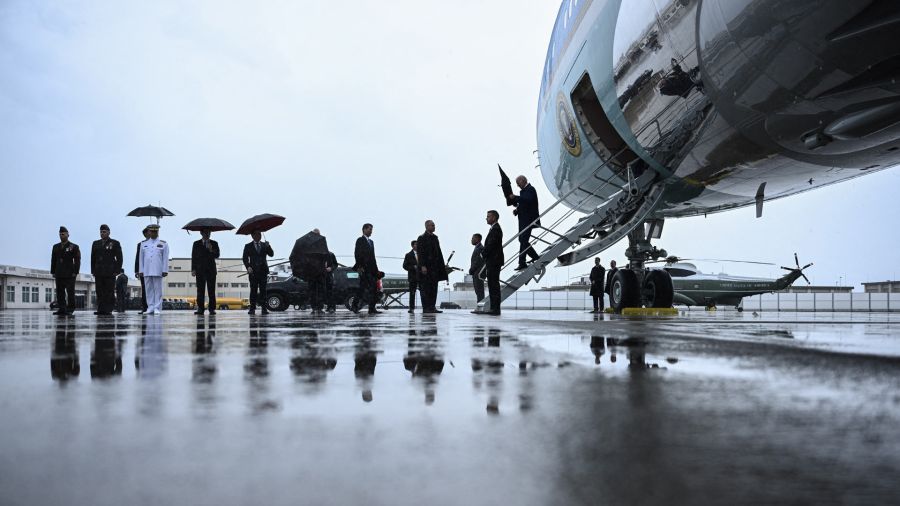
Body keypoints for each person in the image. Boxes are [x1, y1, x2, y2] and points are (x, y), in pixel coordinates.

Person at [508, 175, 540, 271]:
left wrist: (516, 197)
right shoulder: (524, 192)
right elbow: (524, 204)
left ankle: (522, 262)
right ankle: (534, 256)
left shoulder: (530, 189)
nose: (518, 185)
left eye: (518, 183)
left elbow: (528, 200)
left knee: (523, 240)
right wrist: (517, 210)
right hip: (524, 220)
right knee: (522, 240)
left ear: (523, 181)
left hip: (528, 220)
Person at [90, 224, 123, 316]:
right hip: (99, 271)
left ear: (109, 232)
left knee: (109, 291)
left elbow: (119, 258)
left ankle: (108, 309)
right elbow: (93, 258)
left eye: (104, 232)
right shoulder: (95, 243)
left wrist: (117, 270)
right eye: (101, 232)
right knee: (99, 291)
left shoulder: (115, 243)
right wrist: (93, 270)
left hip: (110, 272)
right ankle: (100, 309)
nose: (102, 233)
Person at [137, 224, 169, 315]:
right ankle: (150, 307)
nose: (154, 233)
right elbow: (141, 258)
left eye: (156, 231)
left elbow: (165, 258)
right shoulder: (144, 244)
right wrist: (141, 270)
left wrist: (165, 270)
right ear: (149, 232)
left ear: (158, 232)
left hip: (158, 269)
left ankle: (157, 307)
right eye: (152, 231)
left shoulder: (163, 243)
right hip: (147, 270)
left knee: (158, 289)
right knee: (148, 289)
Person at [417, 220, 447, 314]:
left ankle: (432, 307)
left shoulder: (435, 238)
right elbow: (420, 253)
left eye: (434, 225)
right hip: (426, 268)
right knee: (426, 288)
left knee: (434, 288)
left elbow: (439, 253)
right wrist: (422, 266)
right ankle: (426, 308)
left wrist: (442, 266)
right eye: (432, 225)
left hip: (435, 268)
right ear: (427, 226)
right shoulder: (421, 238)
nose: (434, 227)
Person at [477, 210, 503, 315]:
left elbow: (491, 245)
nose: (486, 218)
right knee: (492, 285)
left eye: (488, 216)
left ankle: (495, 309)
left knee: (494, 285)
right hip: (493, 260)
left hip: (494, 260)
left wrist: (483, 253)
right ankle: (493, 308)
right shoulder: (494, 229)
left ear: (494, 217)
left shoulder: (496, 229)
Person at [51, 226, 81, 316]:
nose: (61, 236)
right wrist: (53, 271)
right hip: (59, 273)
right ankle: (62, 308)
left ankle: (70, 309)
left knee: (70, 292)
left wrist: (75, 272)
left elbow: (77, 260)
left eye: (63, 234)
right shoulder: (55, 247)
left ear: (68, 234)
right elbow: (53, 260)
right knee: (60, 292)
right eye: (60, 234)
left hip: (70, 274)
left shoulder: (74, 247)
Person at [243, 230, 274, 315]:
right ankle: (252, 308)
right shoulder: (248, 246)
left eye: (260, 234)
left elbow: (271, 254)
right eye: (257, 234)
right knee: (253, 290)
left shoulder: (265, 245)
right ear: (252, 236)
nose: (259, 235)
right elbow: (245, 258)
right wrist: (248, 267)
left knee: (263, 290)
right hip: (253, 272)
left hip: (263, 271)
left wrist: (269, 247)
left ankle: (264, 308)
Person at [191, 228, 220, 315]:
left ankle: (212, 309)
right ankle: (200, 308)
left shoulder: (214, 243)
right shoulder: (196, 244)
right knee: (200, 290)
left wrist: (211, 249)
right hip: (200, 270)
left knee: (211, 290)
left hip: (211, 270)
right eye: (206, 232)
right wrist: (193, 269)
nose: (208, 234)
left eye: (209, 232)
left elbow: (217, 255)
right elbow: (194, 257)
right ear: (201, 233)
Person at [353, 223, 380, 314]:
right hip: (364, 269)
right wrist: (360, 266)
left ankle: (372, 308)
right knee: (362, 288)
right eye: (369, 229)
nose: (371, 231)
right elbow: (357, 254)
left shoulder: (371, 242)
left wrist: (376, 270)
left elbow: (373, 257)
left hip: (372, 270)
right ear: (364, 230)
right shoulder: (360, 240)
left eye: (372, 229)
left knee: (374, 289)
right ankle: (355, 306)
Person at [134, 227, 149, 314]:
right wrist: (137, 270)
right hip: (143, 271)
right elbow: (137, 258)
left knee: (152, 289)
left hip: (152, 270)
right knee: (144, 289)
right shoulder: (141, 244)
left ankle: (152, 306)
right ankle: (144, 307)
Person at [402, 240, 418, 314]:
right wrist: (413, 267)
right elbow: (404, 266)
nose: (417, 246)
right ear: (412, 246)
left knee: (424, 293)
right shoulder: (408, 255)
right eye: (416, 244)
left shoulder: (422, 254)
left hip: (422, 277)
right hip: (412, 277)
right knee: (412, 293)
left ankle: (426, 307)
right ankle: (411, 308)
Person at [469, 233, 485, 303]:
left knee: (479, 291)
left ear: (477, 239)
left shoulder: (480, 248)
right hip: (476, 272)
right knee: (478, 291)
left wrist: (471, 269)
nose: (471, 240)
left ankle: (480, 307)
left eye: (473, 238)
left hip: (478, 273)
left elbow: (478, 261)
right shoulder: (477, 248)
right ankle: (479, 306)